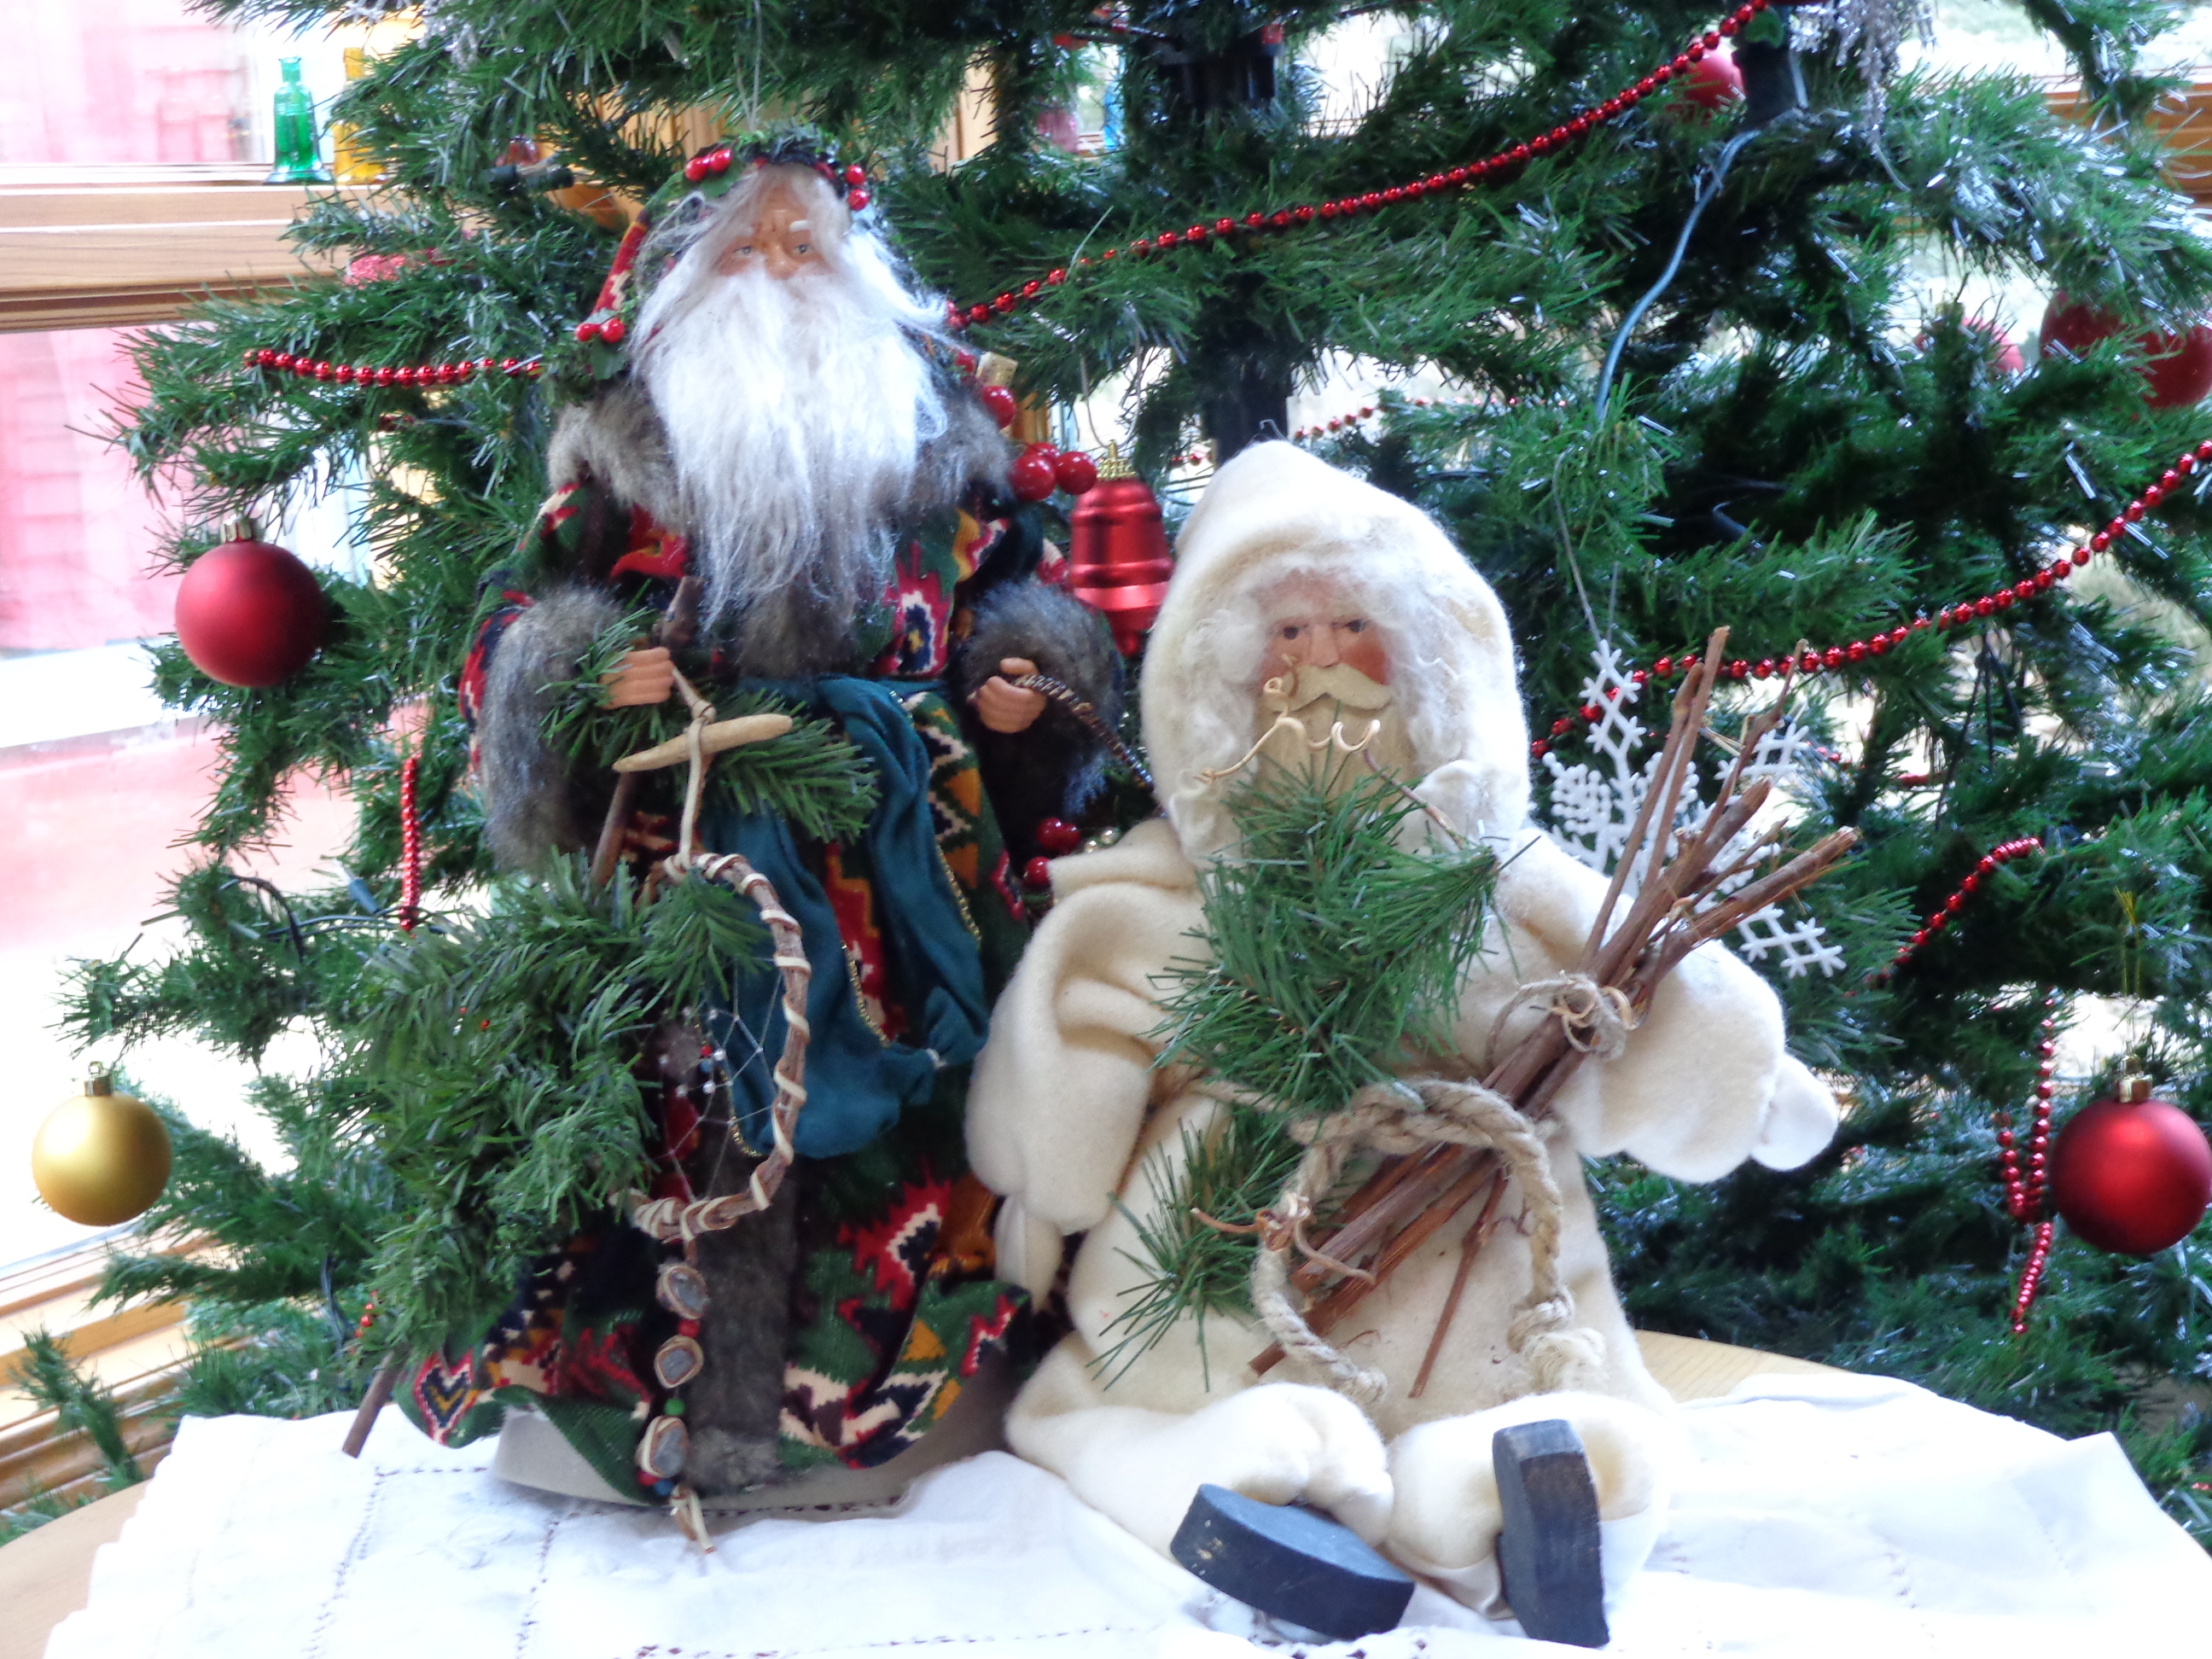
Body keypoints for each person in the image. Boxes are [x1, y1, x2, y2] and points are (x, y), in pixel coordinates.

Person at [964, 441, 1840, 1614]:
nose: (1320, 661)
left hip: (1471, 1204)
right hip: (1227, 1232)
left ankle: (1482, 1485)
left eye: (1353, 629)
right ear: (1215, 682)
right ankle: (1186, 1456)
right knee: (1177, 1357)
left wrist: (1741, 1082)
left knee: (1516, 1361)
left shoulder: (1506, 883)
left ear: (1429, 661)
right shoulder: (1174, 891)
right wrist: (1046, 1183)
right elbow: (1083, 1023)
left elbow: (1628, 990)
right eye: (1284, 636)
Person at [413, 133, 1121, 1506]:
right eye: (749, 243)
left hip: (911, 872)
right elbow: (515, 627)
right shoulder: (620, 470)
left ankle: (882, 1387)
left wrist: (1022, 680)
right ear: (685, 278)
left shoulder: (945, 468)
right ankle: (653, 1403)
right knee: (671, 1102)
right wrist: (573, 673)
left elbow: (1014, 609)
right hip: (677, 850)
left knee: (911, 1125)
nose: (779, 268)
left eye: (808, 246)